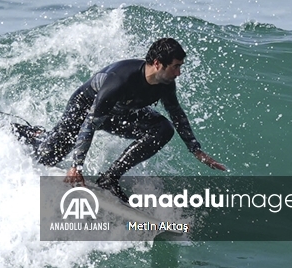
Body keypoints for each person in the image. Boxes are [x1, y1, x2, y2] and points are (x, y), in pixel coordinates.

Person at [13, 37, 226, 200]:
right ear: (158, 63)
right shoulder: (119, 81)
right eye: (176, 66)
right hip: (85, 110)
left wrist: (196, 150)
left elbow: (176, 114)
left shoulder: (166, 84)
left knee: (163, 128)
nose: (178, 73)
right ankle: (31, 134)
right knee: (46, 157)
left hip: (120, 114)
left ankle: (110, 178)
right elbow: (90, 123)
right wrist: (76, 166)